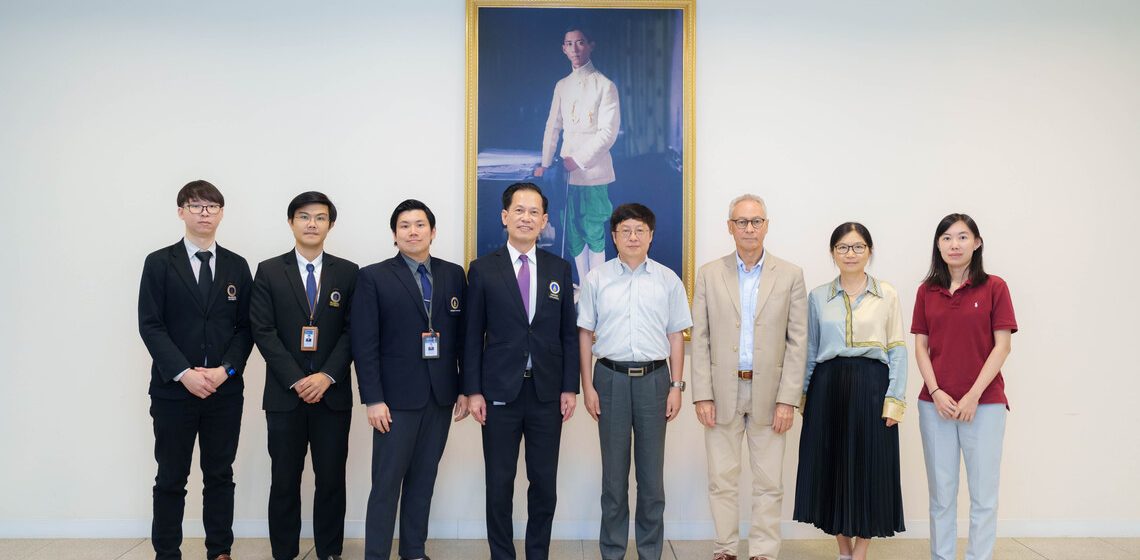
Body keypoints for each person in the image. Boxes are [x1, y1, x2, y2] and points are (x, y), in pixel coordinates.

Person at [138, 180, 253, 560]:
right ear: (181, 212)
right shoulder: (159, 262)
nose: (205, 213)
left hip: (223, 392)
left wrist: (227, 370)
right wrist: (184, 373)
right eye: (196, 205)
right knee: (171, 478)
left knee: (220, 476)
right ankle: (166, 552)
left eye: (212, 206)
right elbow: (150, 325)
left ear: (221, 213)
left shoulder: (237, 265)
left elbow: (246, 328)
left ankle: (220, 550)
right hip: (174, 391)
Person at [464, 182, 579, 560]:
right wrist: (473, 390)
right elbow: (472, 334)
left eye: (534, 212)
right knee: (499, 482)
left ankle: (537, 554)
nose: (526, 218)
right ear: (505, 217)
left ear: (545, 221)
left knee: (543, 482)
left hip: (547, 393)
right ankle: (502, 554)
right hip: (498, 392)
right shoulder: (482, 269)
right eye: (519, 210)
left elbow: (567, 333)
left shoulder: (559, 268)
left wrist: (569, 387)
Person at [690, 194, 807, 560]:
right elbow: (702, 337)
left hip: (771, 394)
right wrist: (702, 394)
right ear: (730, 227)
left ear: (767, 226)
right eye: (742, 222)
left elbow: (797, 341)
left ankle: (763, 552)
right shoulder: (710, 273)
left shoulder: (790, 275)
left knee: (769, 482)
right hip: (722, 390)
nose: (749, 229)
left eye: (756, 221)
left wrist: (788, 398)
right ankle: (725, 548)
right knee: (721, 480)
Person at [351, 199, 470, 560]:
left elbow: (463, 337)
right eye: (404, 226)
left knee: (423, 480)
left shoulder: (453, 275)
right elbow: (364, 343)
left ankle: (414, 551)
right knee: (386, 484)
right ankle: (376, 555)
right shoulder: (373, 276)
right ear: (394, 234)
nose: (413, 231)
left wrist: (465, 388)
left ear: (433, 232)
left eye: (420, 225)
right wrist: (373, 398)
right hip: (394, 400)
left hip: (440, 396)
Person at [577, 203, 692, 560]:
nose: (632, 236)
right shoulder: (597, 279)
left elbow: (677, 336)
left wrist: (676, 386)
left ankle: (649, 552)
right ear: (613, 237)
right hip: (609, 379)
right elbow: (585, 334)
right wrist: (587, 385)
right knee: (613, 478)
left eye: (639, 230)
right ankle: (612, 551)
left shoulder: (668, 279)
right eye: (625, 230)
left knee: (651, 478)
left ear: (651, 236)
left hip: (655, 382)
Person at [250, 191, 358, 560]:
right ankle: (284, 552)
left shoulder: (348, 272)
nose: (312, 224)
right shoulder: (268, 270)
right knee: (284, 480)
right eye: (304, 216)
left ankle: (329, 551)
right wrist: (298, 379)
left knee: (331, 481)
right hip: (284, 396)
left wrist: (326, 375)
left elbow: (352, 332)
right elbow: (262, 331)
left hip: (332, 396)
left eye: (320, 217)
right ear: (291, 222)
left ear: (330, 224)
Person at [792, 222, 906, 560]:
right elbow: (810, 351)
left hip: (873, 387)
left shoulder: (888, 294)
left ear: (869, 251)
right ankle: (843, 550)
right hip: (827, 389)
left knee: (871, 467)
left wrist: (894, 400)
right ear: (832, 253)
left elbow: (897, 348)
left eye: (857, 246)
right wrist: (803, 399)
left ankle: (862, 551)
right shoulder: (818, 297)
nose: (850, 253)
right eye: (842, 247)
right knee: (832, 467)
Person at [912, 213, 1017, 560]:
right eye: (946, 237)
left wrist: (972, 396)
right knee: (941, 494)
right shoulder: (926, 291)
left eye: (962, 237)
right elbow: (921, 347)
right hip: (935, 405)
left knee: (983, 495)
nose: (954, 244)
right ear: (937, 244)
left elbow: (1002, 346)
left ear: (977, 242)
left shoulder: (995, 287)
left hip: (984, 405)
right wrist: (938, 392)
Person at [533, 25, 621, 285]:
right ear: (563, 49)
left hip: (593, 172)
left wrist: (579, 160)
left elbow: (608, 132)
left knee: (593, 228)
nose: (575, 48)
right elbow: (553, 125)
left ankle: (597, 287)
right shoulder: (562, 85)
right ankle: (584, 285)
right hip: (566, 173)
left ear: (590, 45)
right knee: (571, 230)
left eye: (580, 42)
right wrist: (546, 163)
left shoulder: (605, 85)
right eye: (569, 44)